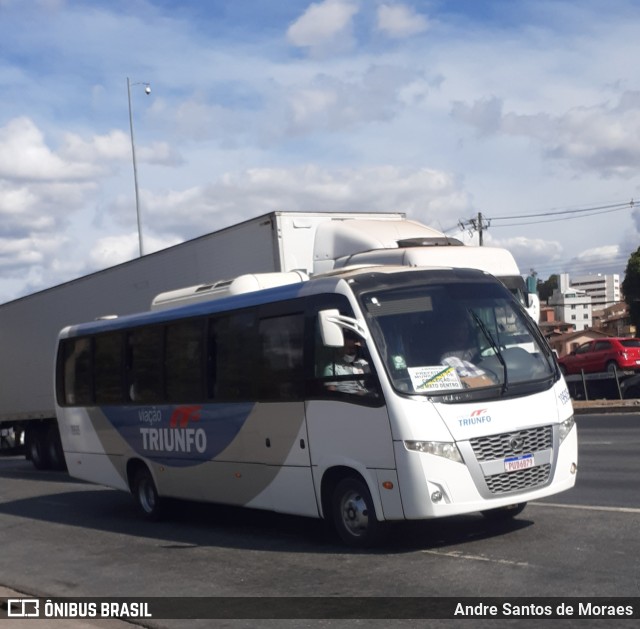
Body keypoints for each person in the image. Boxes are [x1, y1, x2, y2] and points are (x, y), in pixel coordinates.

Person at [439, 310, 495, 387]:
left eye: (466, 329)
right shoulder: (447, 354)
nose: (465, 332)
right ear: (453, 331)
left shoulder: (476, 349)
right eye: (460, 329)